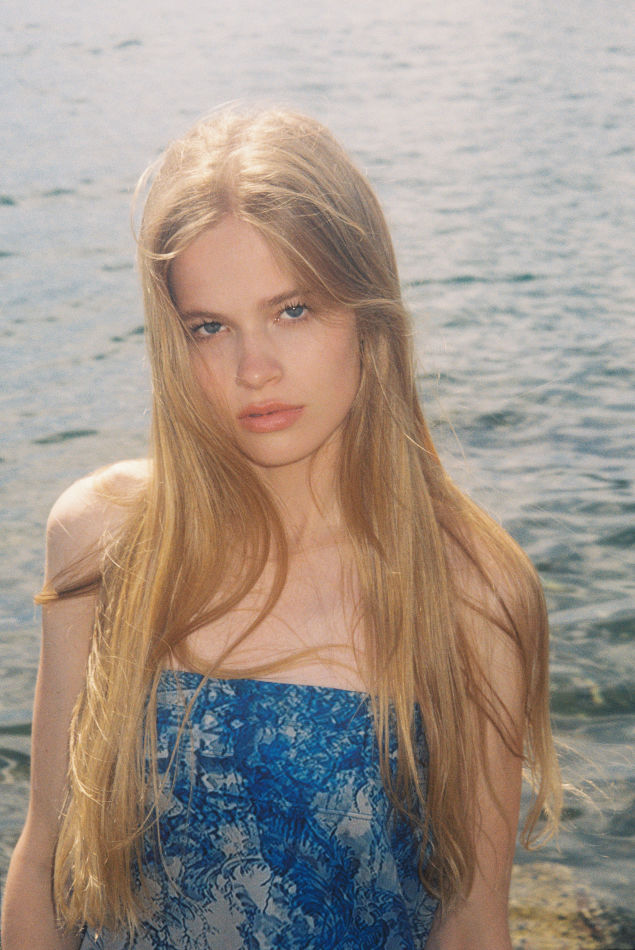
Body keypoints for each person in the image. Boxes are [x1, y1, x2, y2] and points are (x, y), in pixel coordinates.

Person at [2, 107, 561, 950]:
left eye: (292, 310)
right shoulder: (104, 542)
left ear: (368, 313)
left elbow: (471, 921)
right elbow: (47, 862)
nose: (253, 369)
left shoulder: (468, 590)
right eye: (210, 327)